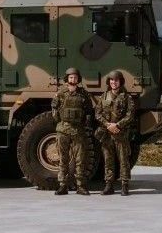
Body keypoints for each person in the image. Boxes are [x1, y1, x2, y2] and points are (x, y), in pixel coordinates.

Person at [51, 67, 93, 196]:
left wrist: (84, 123)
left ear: (78, 79)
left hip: (78, 131)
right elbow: (54, 110)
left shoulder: (83, 94)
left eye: (75, 78)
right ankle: (63, 185)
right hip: (63, 130)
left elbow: (89, 111)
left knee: (81, 159)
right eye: (70, 77)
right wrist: (61, 122)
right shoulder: (61, 93)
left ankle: (80, 186)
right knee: (63, 159)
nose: (72, 80)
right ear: (67, 79)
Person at [94, 70, 137, 196]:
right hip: (107, 133)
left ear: (120, 82)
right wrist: (107, 125)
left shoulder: (126, 97)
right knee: (108, 160)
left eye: (116, 80)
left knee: (124, 160)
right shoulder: (104, 96)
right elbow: (98, 113)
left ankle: (124, 185)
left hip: (120, 133)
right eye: (112, 80)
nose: (114, 82)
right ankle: (109, 185)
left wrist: (117, 125)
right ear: (109, 82)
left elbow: (130, 115)